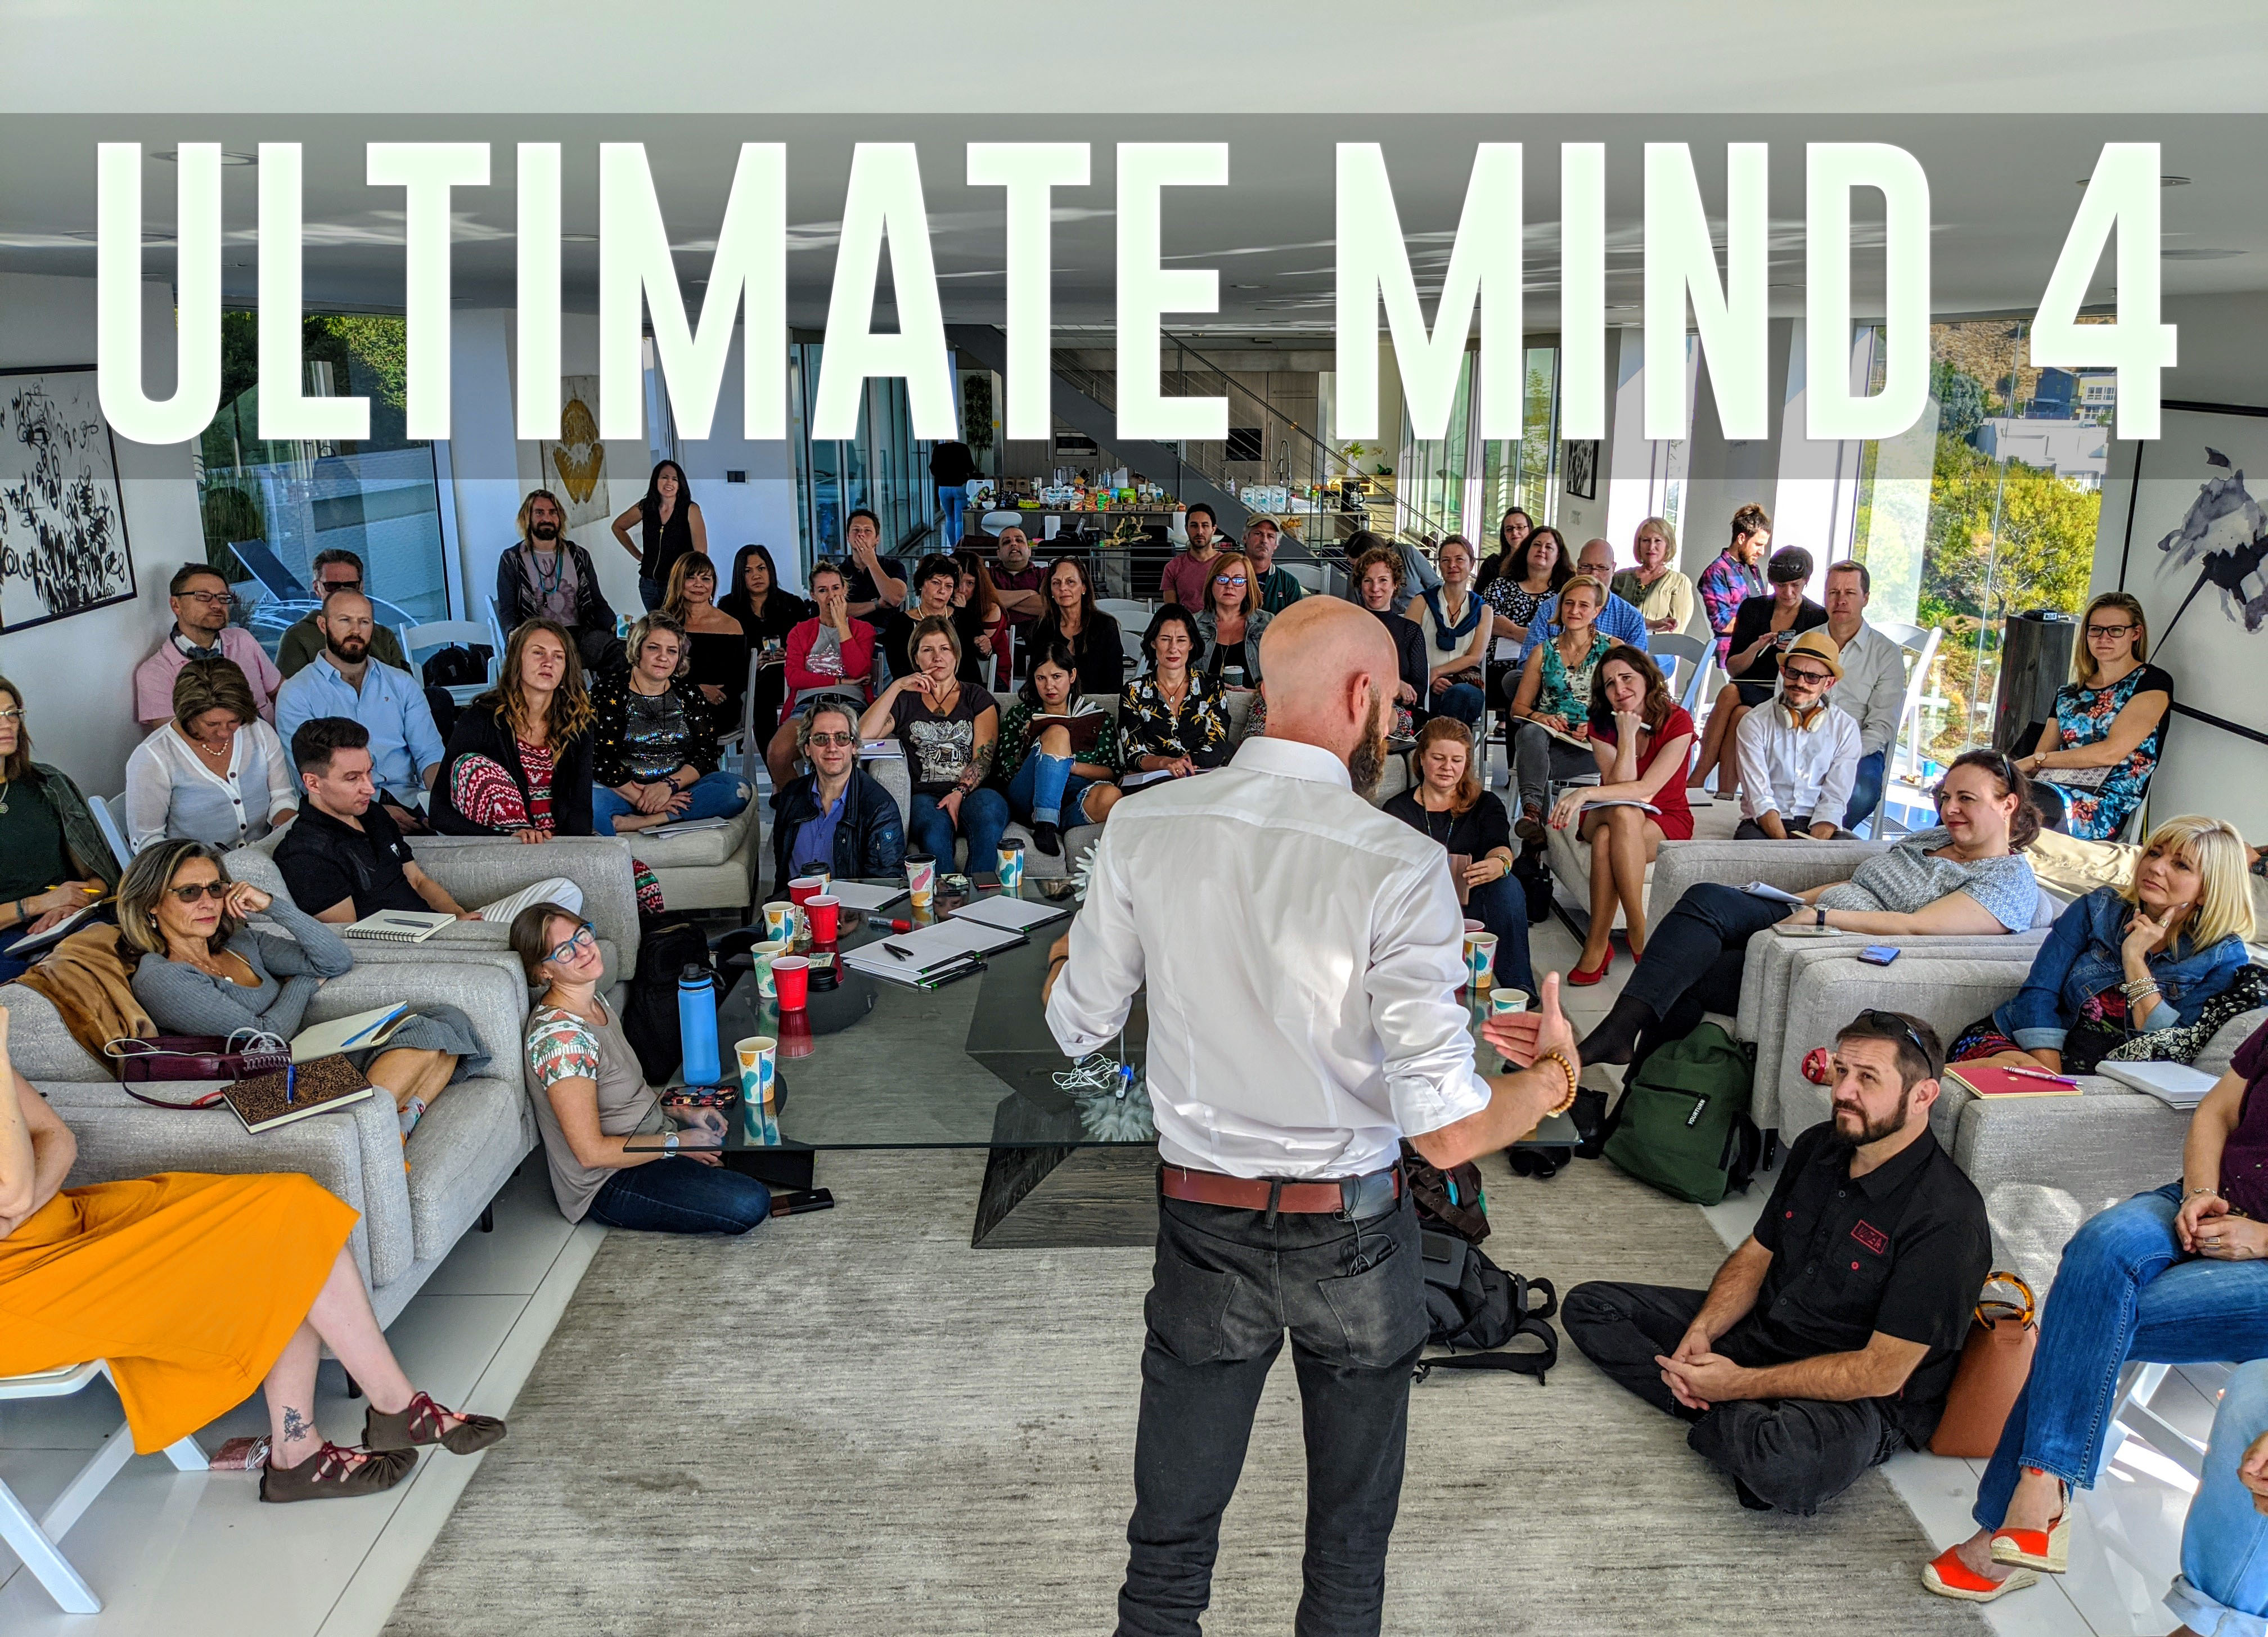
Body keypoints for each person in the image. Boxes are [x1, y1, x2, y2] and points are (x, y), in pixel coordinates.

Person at [1043, 594, 1583, 1637]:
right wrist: (1554, 1079)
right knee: (1347, 1551)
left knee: (1166, 1555)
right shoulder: (1400, 861)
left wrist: (1068, 954)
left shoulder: (1147, 823)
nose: (1394, 723)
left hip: (1202, 1221)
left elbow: (1077, 1028)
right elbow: (1444, 1132)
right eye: (1392, 702)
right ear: (1358, 694)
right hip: (1354, 1236)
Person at [0, 1005, 503, 1504]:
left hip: (68, 1225)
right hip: (18, 1292)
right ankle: (366, 1422)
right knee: (270, 1235)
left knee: (291, 1208)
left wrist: (25, 1208)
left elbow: (58, 1139)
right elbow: (15, 1191)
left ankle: (326, 1436)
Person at [1565, 1009, 1988, 1516]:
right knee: (1591, 1307)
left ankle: (1723, 1408)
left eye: (1867, 1078)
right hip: (1766, 1334)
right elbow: (1758, 1252)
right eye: (1841, 1070)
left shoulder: (1948, 1219)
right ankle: (1722, 1411)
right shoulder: (1819, 1145)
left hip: (1854, 1397)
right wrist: (1702, 1331)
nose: (1843, 1091)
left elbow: (1879, 1374)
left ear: (1923, 1096)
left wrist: (1735, 1383)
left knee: (1785, 1461)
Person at [1922, 1008, 2268, 1604]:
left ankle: (2024, 1508)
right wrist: (2200, 1193)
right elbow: (2216, 1111)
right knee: (2097, 1249)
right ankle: (2044, 1491)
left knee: (2095, 1313)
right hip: (2208, 1202)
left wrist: (2263, 1238)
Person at [1578, 750, 2043, 1071]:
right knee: (1707, 899)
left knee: (1694, 969)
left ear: (2008, 805)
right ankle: (1621, 1042)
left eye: (1966, 799)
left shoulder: (2007, 881)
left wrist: (1821, 918)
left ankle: (1628, 1073)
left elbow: (1916, 926)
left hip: (1840, 945)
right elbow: (1861, 883)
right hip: (1817, 915)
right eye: (1945, 797)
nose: (1950, 809)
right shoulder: (1935, 838)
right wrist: (1793, 900)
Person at [124, 840, 484, 1139]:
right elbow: (265, 1039)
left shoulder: (240, 943)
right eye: (189, 893)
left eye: (216, 889)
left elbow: (335, 960)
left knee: (447, 1019)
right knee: (424, 1038)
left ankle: (397, 1127)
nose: (208, 903)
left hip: (307, 1055)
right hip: (270, 1087)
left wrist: (272, 906)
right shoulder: (162, 977)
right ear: (151, 903)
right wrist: (302, 984)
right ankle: (368, 1130)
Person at [515, 903, 772, 1234]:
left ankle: (712, 1162)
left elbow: (624, 1095)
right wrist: (677, 1144)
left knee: (764, 1090)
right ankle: (711, 1166)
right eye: (564, 951)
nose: (583, 951)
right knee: (749, 1202)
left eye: (582, 935)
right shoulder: (562, 1041)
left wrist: (683, 1112)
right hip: (611, 1179)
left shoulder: (594, 1001)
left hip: (654, 1135)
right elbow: (591, 1153)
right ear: (543, 972)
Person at [1945, 815, 2254, 1077]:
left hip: (2110, 1077)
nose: (2157, 867)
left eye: (2181, 865)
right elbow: (2039, 992)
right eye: (2154, 853)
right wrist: (2053, 1078)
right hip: (2027, 1046)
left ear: (2208, 890)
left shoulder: (2223, 957)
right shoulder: (2098, 909)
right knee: (2019, 1074)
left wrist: (2134, 958)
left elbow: (2165, 1048)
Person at [276, 717, 582, 927]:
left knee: (564, 891)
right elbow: (353, 939)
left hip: (445, 927)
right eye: (353, 778)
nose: (370, 788)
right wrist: (445, 934)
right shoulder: (306, 853)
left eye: (369, 772)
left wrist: (459, 918)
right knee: (549, 930)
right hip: (421, 948)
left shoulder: (373, 814)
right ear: (313, 783)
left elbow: (418, 880)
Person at [1549, 646, 1697, 981]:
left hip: (1665, 815)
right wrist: (1627, 735)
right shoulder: (1602, 723)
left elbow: (1646, 791)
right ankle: (1638, 929)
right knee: (1622, 814)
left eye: (1627, 678)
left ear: (1647, 678)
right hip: (1606, 810)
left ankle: (1597, 945)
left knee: (1608, 837)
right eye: (1610, 684)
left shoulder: (1678, 720)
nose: (1619, 689)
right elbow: (1619, 786)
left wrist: (1585, 792)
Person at [1383, 718, 1534, 997]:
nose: (1447, 767)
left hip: (1474, 901)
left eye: (1456, 760)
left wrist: (1499, 863)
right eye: (1438, 758)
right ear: (1421, 759)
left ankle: (1517, 989)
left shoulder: (1485, 803)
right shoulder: (1398, 809)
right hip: (1420, 905)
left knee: (1507, 885)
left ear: (1466, 764)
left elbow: (1500, 846)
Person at [273, 589, 445, 825]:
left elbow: (430, 754)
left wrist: (442, 806)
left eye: (364, 622)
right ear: (323, 625)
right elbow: (311, 777)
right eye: (345, 620)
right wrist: (375, 815)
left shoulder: (402, 683)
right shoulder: (297, 693)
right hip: (342, 815)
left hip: (411, 802)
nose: (356, 631)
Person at [858, 616, 1010, 872]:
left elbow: (984, 758)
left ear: (956, 655)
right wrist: (897, 686)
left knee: (988, 815)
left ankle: (981, 892)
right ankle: (945, 895)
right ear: (916, 658)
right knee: (934, 829)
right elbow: (863, 735)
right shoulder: (905, 700)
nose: (937, 657)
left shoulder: (977, 697)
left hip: (975, 792)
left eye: (945, 649)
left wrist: (960, 792)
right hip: (926, 797)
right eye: (928, 650)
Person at [2020, 590, 2172, 841]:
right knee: (1980, 795)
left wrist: (2036, 761)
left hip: (2102, 804)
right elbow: (2042, 754)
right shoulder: (2069, 693)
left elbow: (2111, 752)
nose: (2104, 638)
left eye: (2116, 630)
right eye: (2096, 630)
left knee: (2011, 811)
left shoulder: (2151, 682)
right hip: (2053, 787)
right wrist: (2029, 764)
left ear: (2136, 633)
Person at [432, 618, 596, 842]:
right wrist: (507, 839)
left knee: (630, 864)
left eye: (558, 656)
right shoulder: (481, 719)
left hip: (560, 843)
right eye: (538, 653)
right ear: (517, 660)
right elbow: (439, 812)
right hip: (504, 844)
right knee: (472, 766)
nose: (548, 663)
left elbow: (582, 808)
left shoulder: (578, 723)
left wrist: (569, 850)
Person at [587, 614, 749, 838]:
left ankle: (649, 822)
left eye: (672, 651)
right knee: (587, 804)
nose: (663, 657)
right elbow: (601, 759)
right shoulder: (607, 692)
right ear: (637, 649)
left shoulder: (689, 694)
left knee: (737, 790)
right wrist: (645, 799)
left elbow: (706, 755)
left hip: (678, 790)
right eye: (653, 648)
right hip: (622, 792)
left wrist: (668, 787)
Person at [0, 676, 116, 982]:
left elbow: (99, 879)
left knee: (127, 953)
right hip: (9, 938)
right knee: (53, 981)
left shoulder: (49, 784)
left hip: (71, 920)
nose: (7, 724)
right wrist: (36, 905)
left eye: (12, 713)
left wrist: (78, 901)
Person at [1690, 545, 1828, 797]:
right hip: (1748, 687)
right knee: (1737, 707)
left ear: (1806, 582)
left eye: (1795, 585)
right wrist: (1757, 646)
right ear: (1772, 583)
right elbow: (1734, 669)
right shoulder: (1753, 609)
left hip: (1785, 691)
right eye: (1781, 586)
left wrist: (1793, 653)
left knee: (1735, 703)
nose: (1788, 592)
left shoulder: (1817, 617)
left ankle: (1699, 778)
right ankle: (1724, 794)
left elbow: (1815, 673)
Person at [124, 658, 298, 854]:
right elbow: (148, 841)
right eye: (212, 724)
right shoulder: (154, 757)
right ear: (188, 715)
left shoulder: (258, 732)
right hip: (199, 867)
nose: (224, 733)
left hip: (268, 852)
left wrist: (282, 830)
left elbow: (282, 796)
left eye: (234, 721)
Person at [1506, 574, 1615, 842]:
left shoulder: (1612, 650)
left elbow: (1627, 707)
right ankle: (1533, 814)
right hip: (1549, 738)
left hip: (1593, 745)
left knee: (1533, 764)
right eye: (1569, 603)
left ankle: (1533, 839)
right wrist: (1540, 716)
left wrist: (1595, 727)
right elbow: (1518, 708)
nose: (1574, 611)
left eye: (1583, 605)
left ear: (1597, 611)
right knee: (1530, 733)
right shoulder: (1543, 652)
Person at [996, 640, 1123, 856]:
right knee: (1057, 732)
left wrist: (1068, 766)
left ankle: (1051, 822)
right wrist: (1030, 750)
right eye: (1041, 678)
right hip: (1029, 795)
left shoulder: (1096, 717)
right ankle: (1045, 824)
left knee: (1112, 795)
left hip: (1075, 796)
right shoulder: (1019, 715)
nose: (1049, 686)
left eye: (1057, 677)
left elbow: (1112, 772)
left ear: (1072, 676)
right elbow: (1005, 772)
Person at [1732, 630, 1862, 842]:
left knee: (1855, 856)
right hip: (1764, 822)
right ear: (1783, 672)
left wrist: (1813, 848)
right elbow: (1759, 797)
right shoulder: (1754, 722)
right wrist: (1787, 848)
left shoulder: (1846, 728)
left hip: (1819, 824)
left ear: (1828, 684)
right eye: (1794, 673)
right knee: (1751, 853)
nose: (1800, 683)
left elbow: (1834, 800)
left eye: (1812, 677)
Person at [771, 698, 907, 889]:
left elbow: (885, 885)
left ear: (854, 746)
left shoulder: (880, 808)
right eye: (821, 739)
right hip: (793, 904)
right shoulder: (790, 797)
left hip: (850, 906)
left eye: (842, 738)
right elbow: (781, 871)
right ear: (807, 748)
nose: (832, 747)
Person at [766, 561, 878, 786]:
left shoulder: (863, 630)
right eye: (823, 590)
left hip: (850, 705)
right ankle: (801, 800)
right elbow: (794, 677)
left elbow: (859, 670)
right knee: (777, 754)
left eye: (836, 588)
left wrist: (841, 624)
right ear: (813, 595)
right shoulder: (800, 632)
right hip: (808, 705)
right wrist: (840, 680)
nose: (831, 596)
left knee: (842, 756)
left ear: (845, 590)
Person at [134, 563, 282, 730]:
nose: (217, 605)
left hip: (273, 738)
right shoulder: (156, 672)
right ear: (176, 605)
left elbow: (280, 692)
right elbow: (173, 738)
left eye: (223, 597)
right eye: (203, 596)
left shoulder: (242, 640)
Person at [1818, 561, 1907, 831]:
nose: (1841, 600)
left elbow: (1881, 725)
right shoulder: (1804, 643)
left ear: (1865, 598)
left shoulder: (1886, 653)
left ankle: (1822, 844)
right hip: (1803, 741)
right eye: (1833, 593)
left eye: (1850, 593)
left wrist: (1844, 754)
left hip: (1861, 749)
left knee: (1858, 793)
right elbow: (1783, 703)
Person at [494, 489, 623, 674]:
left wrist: (616, 626)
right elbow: (507, 609)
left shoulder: (579, 555)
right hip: (538, 637)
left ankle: (604, 693)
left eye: (552, 512)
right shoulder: (512, 559)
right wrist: (512, 632)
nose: (547, 518)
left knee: (619, 649)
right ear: (527, 518)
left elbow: (597, 603)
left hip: (579, 636)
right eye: (539, 513)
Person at [717, 543, 812, 750]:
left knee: (766, 686)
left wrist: (790, 655)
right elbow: (725, 655)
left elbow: (810, 646)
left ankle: (780, 759)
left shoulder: (792, 604)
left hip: (787, 675)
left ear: (770, 569)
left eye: (761, 568)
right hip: (747, 678)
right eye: (748, 571)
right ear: (739, 576)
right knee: (760, 689)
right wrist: (754, 662)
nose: (756, 576)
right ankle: (775, 760)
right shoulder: (728, 607)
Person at [1121, 606, 1234, 778]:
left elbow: (1218, 745)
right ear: (1153, 642)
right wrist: (1167, 764)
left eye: (1181, 640)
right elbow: (1133, 753)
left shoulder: (1212, 686)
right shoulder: (1133, 691)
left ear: (1191, 644)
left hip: (1201, 778)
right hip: (1154, 779)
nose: (1173, 648)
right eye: (1165, 639)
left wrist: (1182, 764)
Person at [276, 548, 410, 677]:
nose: (342, 594)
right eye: (332, 586)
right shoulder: (298, 638)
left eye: (351, 586)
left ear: (361, 587)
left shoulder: (384, 637)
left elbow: (407, 686)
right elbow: (290, 690)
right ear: (317, 588)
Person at [1403, 534, 1488, 725]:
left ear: (1472, 564)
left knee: (1459, 696)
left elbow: (1474, 657)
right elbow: (1407, 649)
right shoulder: (1421, 602)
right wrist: (1429, 678)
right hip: (1424, 680)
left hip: (1466, 682)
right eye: (1446, 560)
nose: (1452, 565)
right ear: (1439, 565)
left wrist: (1438, 672)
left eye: (1460, 560)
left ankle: (1443, 742)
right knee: (1434, 701)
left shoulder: (1483, 610)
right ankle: (1451, 742)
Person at [1520, 538, 1652, 657]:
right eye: (1586, 567)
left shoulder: (1631, 618)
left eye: (1601, 568)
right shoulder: (1550, 609)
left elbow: (1637, 669)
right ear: (1578, 566)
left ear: (1613, 568)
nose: (1593, 574)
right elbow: (1527, 660)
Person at [659, 551, 753, 719]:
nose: (699, 584)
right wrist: (696, 690)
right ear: (678, 581)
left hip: (718, 706)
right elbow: (652, 673)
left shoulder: (731, 625)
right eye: (691, 577)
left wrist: (704, 695)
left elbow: (739, 679)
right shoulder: (662, 624)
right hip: (671, 702)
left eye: (706, 579)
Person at [1351, 542, 1429, 737]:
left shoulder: (1410, 631)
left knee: (1378, 718)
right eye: (1368, 581)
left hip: (1394, 714)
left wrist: (1389, 692)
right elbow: (1345, 678)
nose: (1375, 588)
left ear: (1395, 584)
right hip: (1355, 708)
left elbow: (1418, 692)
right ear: (1360, 585)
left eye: (1383, 580)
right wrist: (1394, 685)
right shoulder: (1348, 626)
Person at [1018, 556, 1125, 699]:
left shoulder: (1105, 626)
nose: (1063, 588)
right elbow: (1036, 681)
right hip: (1053, 707)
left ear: (1084, 588)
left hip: (1099, 707)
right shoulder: (1041, 629)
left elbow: (1114, 683)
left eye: (1070, 582)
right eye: (1056, 583)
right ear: (1051, 591)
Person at [611, 458, 706, 611]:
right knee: (655, 624)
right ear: (655, 480)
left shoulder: (690, 509)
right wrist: (639, 555)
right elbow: (618, 527)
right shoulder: (646, 506)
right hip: (648, 585)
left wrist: (687, 579)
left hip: (676, 585)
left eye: (674, 479)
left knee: (677, 624)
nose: (669, 483)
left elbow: (700, 552)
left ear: (680, 484)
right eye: (664, 477)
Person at [880, 554, 987, 686]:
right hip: (918, 691)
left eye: (949, 586)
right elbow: (900, 672)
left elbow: (982, 656)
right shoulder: (899, 624)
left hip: (964, 691)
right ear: (921, 584)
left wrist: (986, 648)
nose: (942, 591)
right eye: (936, 583)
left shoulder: (965, 617)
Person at [1696, 502, 1772, 669]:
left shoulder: (1752, 569)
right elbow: (1722, 623)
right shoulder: (1717, 572)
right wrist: (1763, 628)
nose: (1762, 552)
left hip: (1759, 650)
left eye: (1764, 546)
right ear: (1741, 538)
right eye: (1758, 545)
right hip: (1733, 655)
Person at [1480, 523, 1570, 647]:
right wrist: (1516, 632)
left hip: (1547, 657)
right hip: (1498, 657)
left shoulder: (1565, 593)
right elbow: (1484, 615)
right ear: (1527, 549)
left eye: (1549, 547)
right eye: (1537, 545)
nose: (1542, 550)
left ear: (1558, 556)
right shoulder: (1502, 584)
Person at [1192, 550, 1273, 687]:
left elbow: (1284, 677)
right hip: (1206, 700)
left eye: (1238, 580)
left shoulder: (1268, 623)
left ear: (1248, 586)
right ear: (1212, 583)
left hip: (1256, 699)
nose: (1229, 586)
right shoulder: (1194, 624)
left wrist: (1256, 694)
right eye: (1222, 579)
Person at [1612, 516, 1695, 637]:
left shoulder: (1679, 582)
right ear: (1639, 544)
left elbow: (1675, 633)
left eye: (1658, 541)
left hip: (1658, 647)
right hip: (1617, 645)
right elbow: (1608, 618)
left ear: (1668, 545)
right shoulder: (1620, 578)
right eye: (1646, 540)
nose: (1651, 547)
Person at [952, 549, 1009, 684]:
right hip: (953, 674)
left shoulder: (991, 610)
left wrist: (961, 612)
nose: (962, 590)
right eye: (958, 582)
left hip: (991, 676)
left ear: (978, 585)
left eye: (970, 583)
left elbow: (970, 651)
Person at [838, 508, 906, 619]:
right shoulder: (838, 572)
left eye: (867, 530)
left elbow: (895, 599)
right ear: (848, 538)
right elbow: (835, 610)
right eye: (856, 530)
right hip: (849, 628)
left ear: (877, 539)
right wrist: (877, 604)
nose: (861, 534)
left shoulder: (893, 566)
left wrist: (872, 563)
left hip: (886, 628)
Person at [1158, 502, 1224, 609]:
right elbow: (1171, 611)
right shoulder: (1173, 567)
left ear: (1213, 529)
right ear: (1186, 529)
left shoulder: (1226, 565)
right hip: (1186, 620)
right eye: (1194, 526)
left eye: (1205, 525)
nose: (1200, 532)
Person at [988, 524, 1046, 635]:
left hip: (1036, 636)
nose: (1014, 544)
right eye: (1007, 542)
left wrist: (1001, 601)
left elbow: (1047, 607)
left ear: (1029, 551)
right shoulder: (987, 574)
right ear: (999, 554)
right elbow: (984, 601)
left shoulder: (1044, 574)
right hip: (995, 637)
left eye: (1019, 540)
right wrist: (1029, 593)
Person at [1243, 515, 1306, 614]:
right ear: (1245, 538)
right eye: (1258, 534)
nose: (1264, 540)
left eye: (1270, 536)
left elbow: (1297, 620)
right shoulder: (1230, 576)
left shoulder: (1288, 583)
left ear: (1276, 544)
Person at [1474, 505, 1534, 595]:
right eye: (1509, 529)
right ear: (1504, 534)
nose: (1514, 532)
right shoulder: (1492, 563)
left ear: (1530, 530)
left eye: (1520, 527)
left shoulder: (1538, 563)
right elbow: (1477, 597)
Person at [931, 438, 978, 547]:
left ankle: (953, 547)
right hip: (960, 487)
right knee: (959, 520)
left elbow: (933, 469)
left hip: (943, 487)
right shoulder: (963, 448)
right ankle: (959, 547)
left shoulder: (938, 449)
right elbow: (971, 468)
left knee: (950, 518)